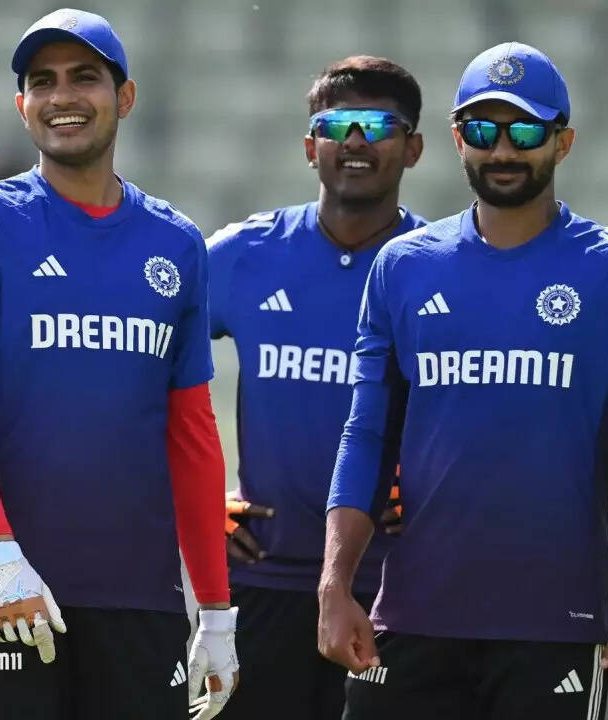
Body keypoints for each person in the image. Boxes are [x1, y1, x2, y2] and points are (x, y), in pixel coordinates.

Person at [318, 42, 608, 720]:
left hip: (552, 630)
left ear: (563, 141)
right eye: (484, 130)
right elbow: (367, 434)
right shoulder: (403, 266)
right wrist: (335, 585)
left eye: (525, 132)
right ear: (457, 137)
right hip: (412, 620)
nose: (502, 150)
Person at [0, 9, 239, 720]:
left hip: (139, 598)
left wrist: (216, 609)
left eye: (84, 78)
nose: (62, 96)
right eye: (42, 81)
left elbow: (191, 434)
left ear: (125, 97)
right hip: (6, 592)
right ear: (21, 104)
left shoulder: (176, 243)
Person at [206, 56, 425, 720]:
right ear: (310, 147)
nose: (356, 140)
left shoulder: (440, 267)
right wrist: (190, 503)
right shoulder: (244, 254)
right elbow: (130, 367)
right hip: (262, 583)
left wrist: (433, 490)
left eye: (378, 125)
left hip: (395, 591)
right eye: (337, 125)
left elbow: (496, 411)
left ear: (413, 148)